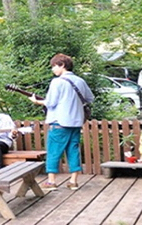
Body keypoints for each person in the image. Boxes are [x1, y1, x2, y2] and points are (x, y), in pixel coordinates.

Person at [30, 53, 94, 191]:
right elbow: (90, 98)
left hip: (59, 122)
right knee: (73, 150)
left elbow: (51, 103)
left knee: (54, 151)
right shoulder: (80, 81)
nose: (53, 69)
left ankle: (51, 181)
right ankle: (73, 181)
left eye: (54, 66)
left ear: (62, 65)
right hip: (76, 122)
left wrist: (37, 101)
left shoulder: (57, 82)